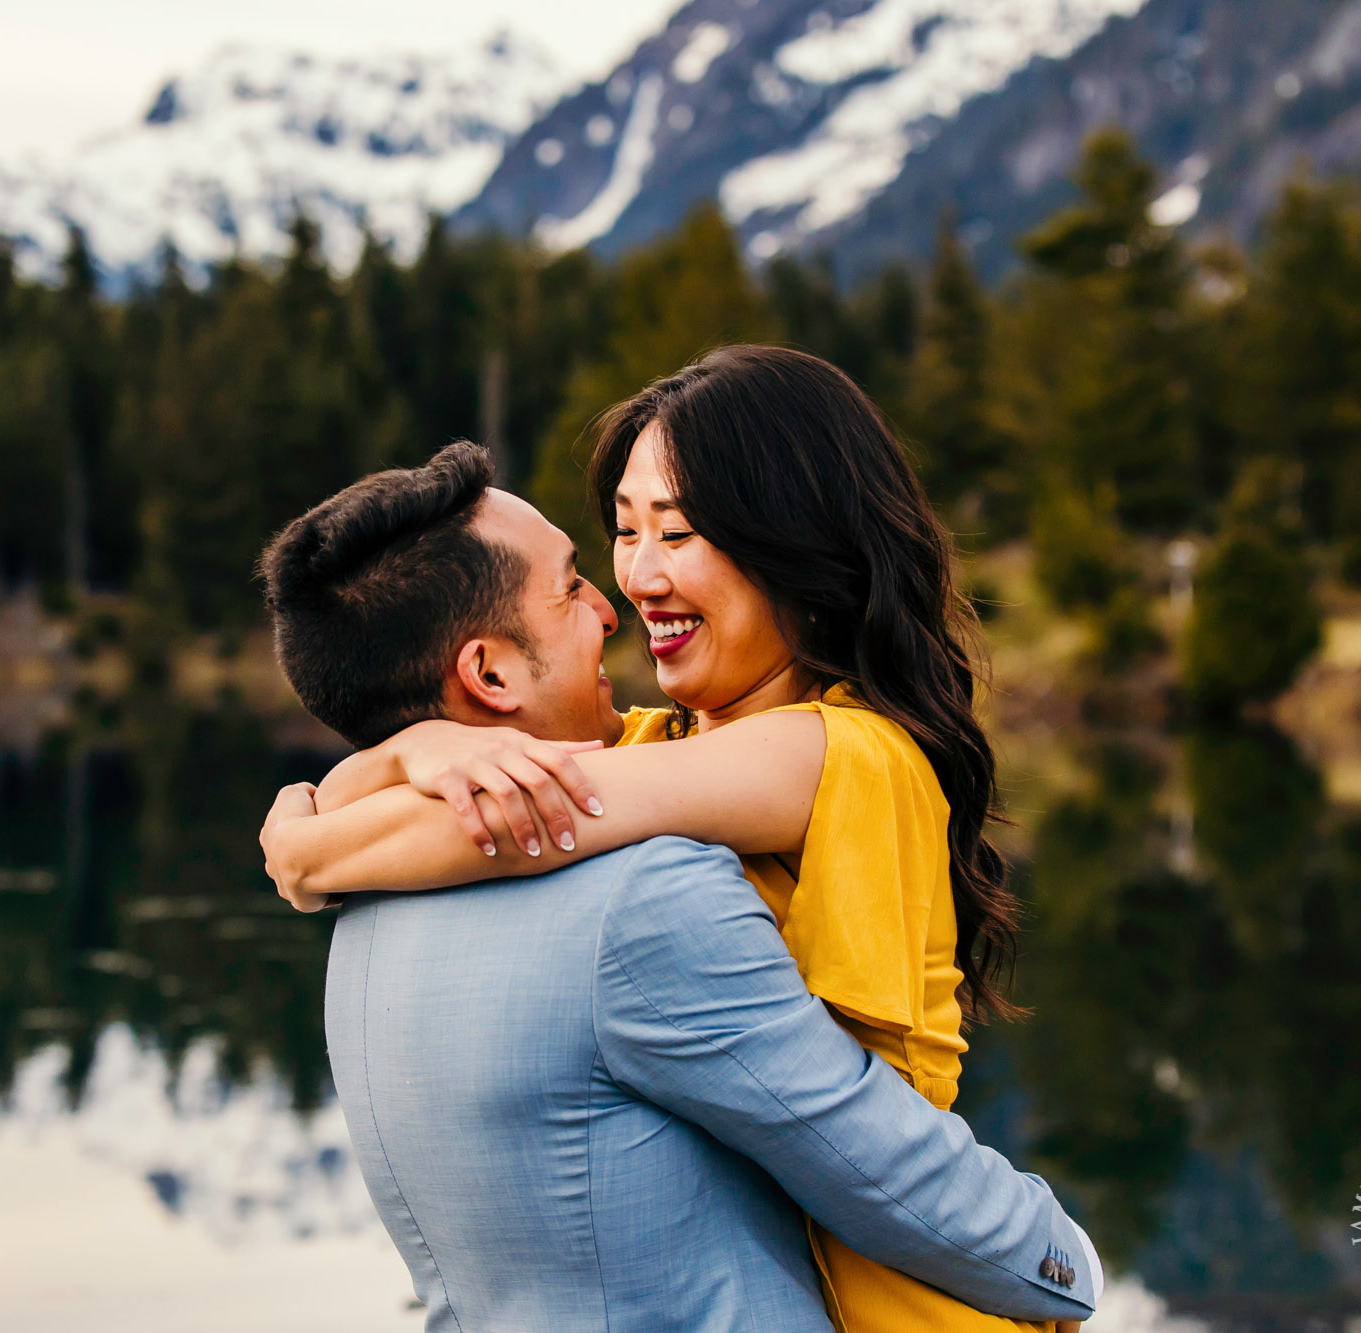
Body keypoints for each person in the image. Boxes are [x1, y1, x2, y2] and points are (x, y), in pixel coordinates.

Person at [263, 346, 1067, 1332]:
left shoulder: (833, 754)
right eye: (621, 532)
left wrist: (311, 846)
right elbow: (469, 809)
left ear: (792, 543)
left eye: (676, 532)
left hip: (901, 1291)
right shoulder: (666, 749)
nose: (633, 580)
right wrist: (423, 747)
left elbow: (513, 822)